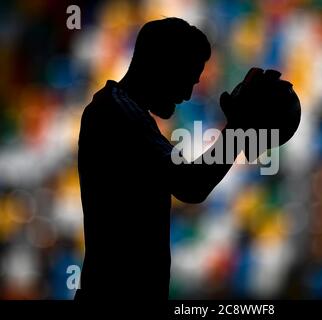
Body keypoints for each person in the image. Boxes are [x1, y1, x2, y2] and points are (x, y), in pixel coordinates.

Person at [76, 17, 242, 301]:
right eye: (186, 78)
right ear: (162, 66)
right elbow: (191, 185)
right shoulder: (117, 114)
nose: (188, 94)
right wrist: (242, 129)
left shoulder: (121, 111)